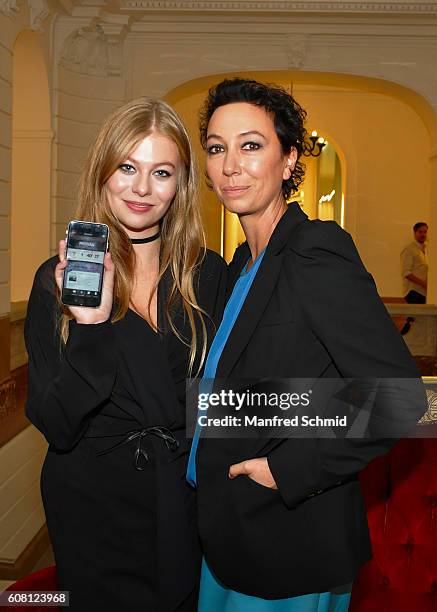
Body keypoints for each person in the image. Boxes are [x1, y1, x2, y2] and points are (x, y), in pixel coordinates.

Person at [187, 78, 427, 611]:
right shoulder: (240, 266)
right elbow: (252, 398)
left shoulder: (314, 249)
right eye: (216, 148)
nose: (230, 165)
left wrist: (285, 470)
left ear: (290, 158)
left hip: (284, 542)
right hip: (226, 532)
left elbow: (399, 398)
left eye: (251, 145)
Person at [24, 98, 226, 612]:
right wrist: (90, 329)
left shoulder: (207, 275)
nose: (141, 188)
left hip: (183, 500)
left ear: (181, 184)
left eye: (161, 172)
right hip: (94, 507)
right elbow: (58, 424)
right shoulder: (57, 281)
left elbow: (224, 398)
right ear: (103, 172)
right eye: (127, 167)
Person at [401, 222, 428, 303]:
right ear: (415, 233)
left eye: (425, 232)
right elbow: (406, 273)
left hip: (424, 293)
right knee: (415, 315)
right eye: (420, 232)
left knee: (420, 315)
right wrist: (424, 284)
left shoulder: (427, 250)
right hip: (414, 291)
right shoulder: (409, 249)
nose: (423, 234)